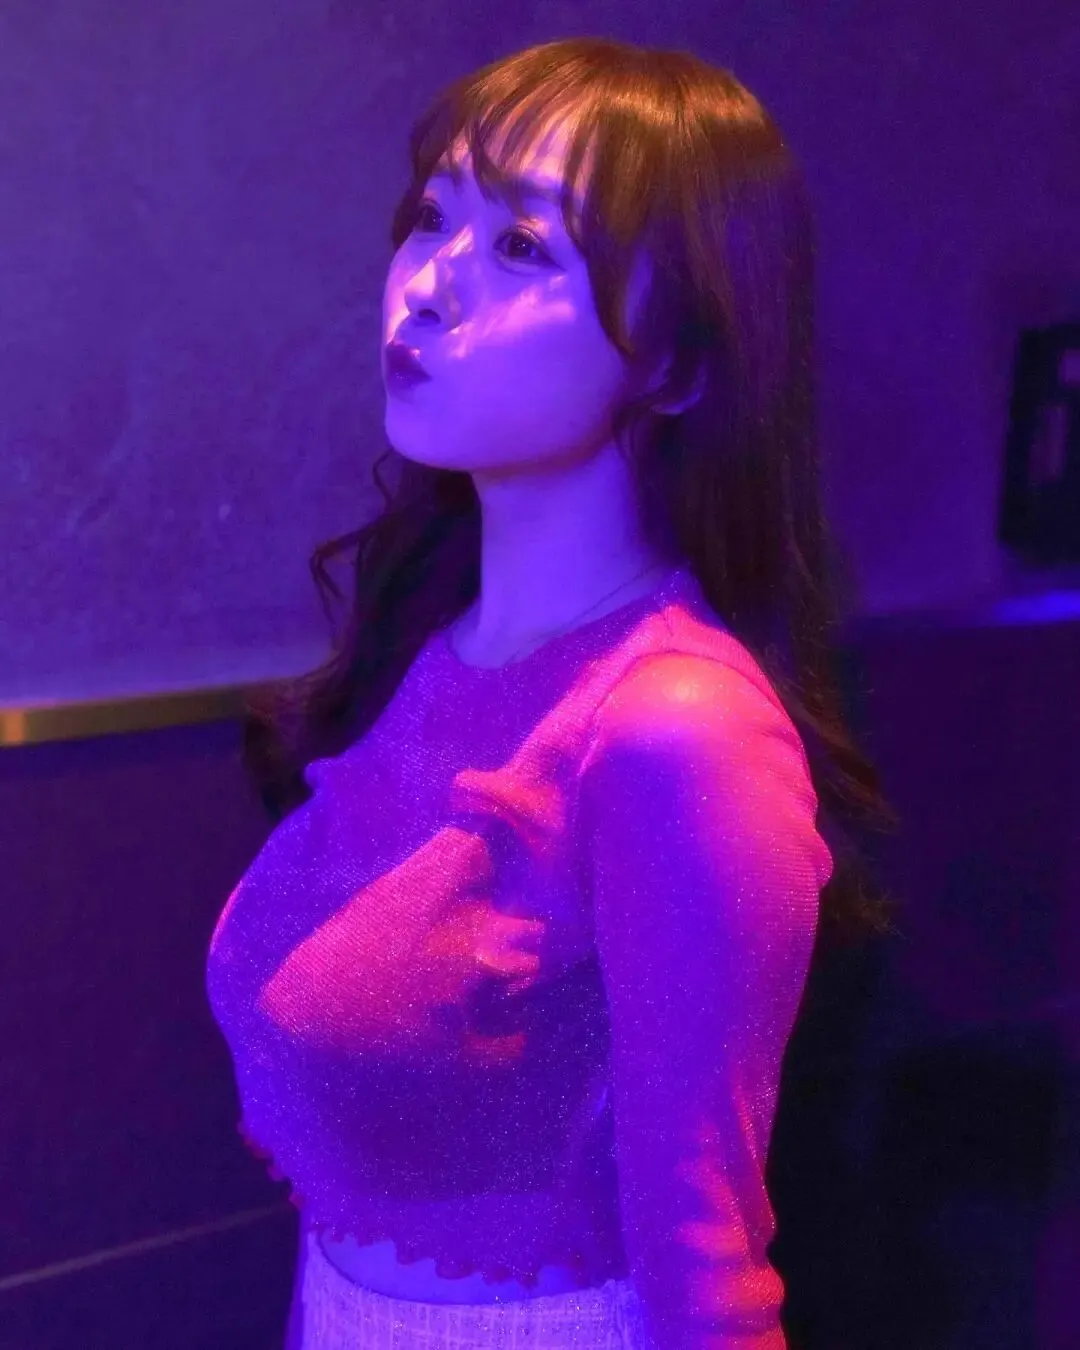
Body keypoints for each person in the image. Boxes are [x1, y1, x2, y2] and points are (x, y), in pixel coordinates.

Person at [208, 34, 898, 1350]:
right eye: (431, 220)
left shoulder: (676, 727)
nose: (428, 285)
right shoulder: (437, 647)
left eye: (522, 246)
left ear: (681, 362)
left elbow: (708, 1274)